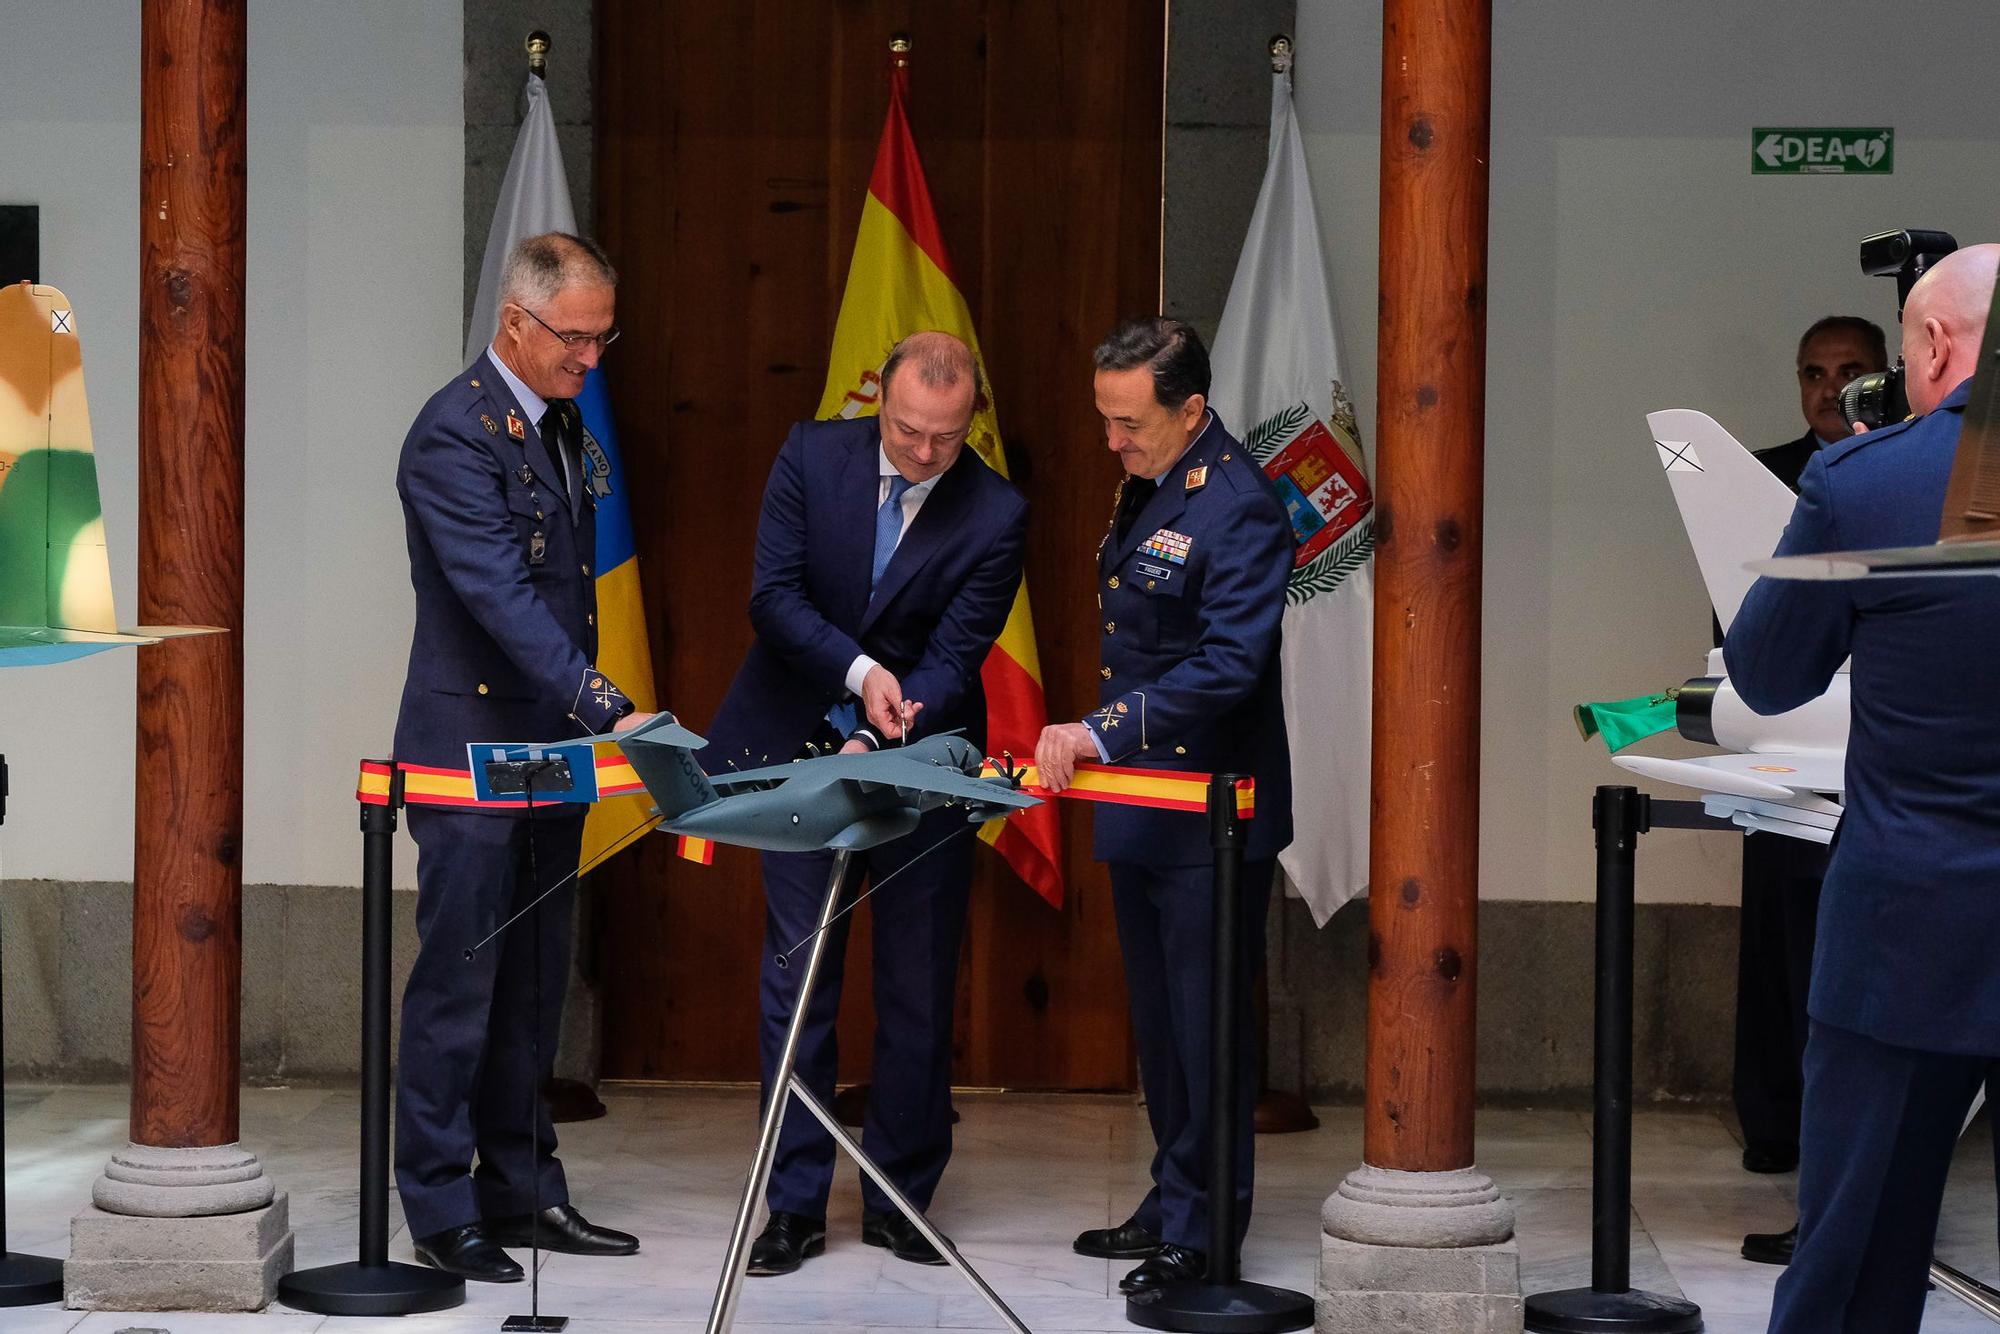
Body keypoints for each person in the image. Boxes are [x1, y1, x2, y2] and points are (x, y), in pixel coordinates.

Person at [700, 331, 1029, 1276]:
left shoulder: (997, 512)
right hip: (801, 742)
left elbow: (957, 653)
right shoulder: (811, 455)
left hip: (921, 762)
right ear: (878, 400)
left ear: (972, 424)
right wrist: (858, 673)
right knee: (798, 984)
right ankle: (793, 1203)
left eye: (946, 439)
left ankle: (898, 1198)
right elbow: (774, 597)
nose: (924, 454)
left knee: (918, 984)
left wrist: (882, 727)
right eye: (908, 431)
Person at [1728, 243, 2000, 1334]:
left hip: (1905, 919)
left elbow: (1764, 669)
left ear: (1932, 343)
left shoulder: (1862, 480)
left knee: (1855, 1248)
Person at [392, 232, 651, 1282]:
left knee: (534, 984)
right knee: (460, 986)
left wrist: (582, 721)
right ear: (514, 322)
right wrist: (602, 701)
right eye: (574, 338)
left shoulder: (556, 423)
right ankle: (441, 1203)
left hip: (548, 752)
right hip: (472, 748)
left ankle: (524, 1186)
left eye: (602, 337)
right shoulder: (454, 435)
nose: (590, 359)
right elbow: (498, 594)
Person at [1035, 316, 1293, 1295]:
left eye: (1127, 422)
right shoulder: (1152, 477)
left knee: (1206, 1029)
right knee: (1159, 1029)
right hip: (1144, 800)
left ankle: (1206, 1233)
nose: (1111, 441)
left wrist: (1100, 732)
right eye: (1103, 419)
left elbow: (1229, 662)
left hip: (1207, 814)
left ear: (1190, 410)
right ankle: (1172, 1190)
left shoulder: (1237, 503)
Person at [1735, 316, 1886, 1267]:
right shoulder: (1762, 474)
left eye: (1849, 372)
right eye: (1813, 373)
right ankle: (1777, 1126)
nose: (1828, 390)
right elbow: (1740, 614)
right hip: (1784, 747)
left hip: (1880, 763)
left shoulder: (1915, 474)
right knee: (1786, 954)